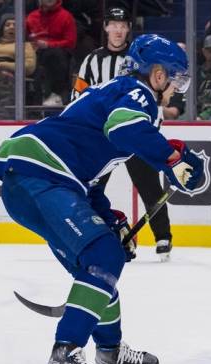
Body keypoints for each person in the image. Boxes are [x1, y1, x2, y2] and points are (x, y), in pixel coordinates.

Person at [0, 34, 204, 364]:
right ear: (156, 75)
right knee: (104, 257)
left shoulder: (114, 91)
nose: (175, 90)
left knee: (99, 259)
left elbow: (91, 180)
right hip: (42, 174)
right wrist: (172, 160)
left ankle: (108, 350)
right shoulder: (139, 96)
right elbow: (123, 128)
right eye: (174, 79)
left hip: (34, 176)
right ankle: (64, 358)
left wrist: (112, 218)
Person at [72, 7, 176, 261]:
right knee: (92, 187)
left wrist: (150, 126)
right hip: (101, 137)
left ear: (129, 28)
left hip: (134, 133)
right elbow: (78, 96)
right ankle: (86, 235)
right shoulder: (92, 60)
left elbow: (154, 95)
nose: (118, 30)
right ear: (105, 27)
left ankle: (163, 237)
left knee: (150, 185)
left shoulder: (141, 60)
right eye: (113, 24)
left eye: (123, 25)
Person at [26, 0, 77, 106]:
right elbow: (24, 38)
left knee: (53, 54)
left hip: (58, 55)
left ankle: (56, 94)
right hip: (34, 53)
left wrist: (48, 44)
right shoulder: (32, 17)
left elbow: (70, 42)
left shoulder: (66, 16)